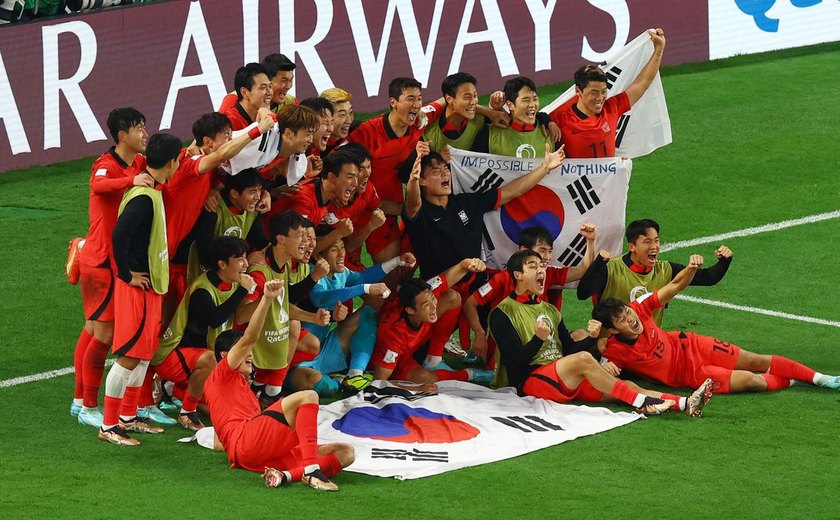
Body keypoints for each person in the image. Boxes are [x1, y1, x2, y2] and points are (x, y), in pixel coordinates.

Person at [488, 250, 712, 416]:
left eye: (542, 266)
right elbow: (515, 362)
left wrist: (593, 340)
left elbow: (567, 349)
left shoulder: (548, 309)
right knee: (586, 360)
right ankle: (641, 402)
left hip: (563, 376)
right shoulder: (502, 313)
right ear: (518, 275)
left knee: (626, 386)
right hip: (531, 382)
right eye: (533, 266)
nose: (541, 271)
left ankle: (685, 403)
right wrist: (538, 339)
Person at [403, 142, 565, 370]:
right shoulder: (419, 211)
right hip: (438, 289)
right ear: (422, 180)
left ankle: (498, 358)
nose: (444, 174)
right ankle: (434, 358)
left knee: (505, 292)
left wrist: (545, 167)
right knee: (415, 353)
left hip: (473, 283)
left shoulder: (467, 203)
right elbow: (413, 202)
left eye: (445, 169)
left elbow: (512, 191)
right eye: (436, 172)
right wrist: (412, 179)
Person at [592, 254, 840, 394]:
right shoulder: (612, 349)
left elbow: (674, 286)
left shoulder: (640, 308)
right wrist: (603, 358)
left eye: (627, 312)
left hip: (693, 345)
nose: (631, 320)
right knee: (753, 381)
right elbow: (600, 375)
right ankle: (792, 379)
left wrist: (690, 268)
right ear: (613, 329)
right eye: (623, 320)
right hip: (692, 375)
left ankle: (821, 379)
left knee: (755, 360)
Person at [204, 278, 354, 491]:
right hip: (247, 443)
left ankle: (285, 476)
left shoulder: (233, 390)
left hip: (258, 454)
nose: (250, 354)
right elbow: (249, 338)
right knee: (308, 396)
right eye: (243, 351)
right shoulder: (220, 375)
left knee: (345, 453)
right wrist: (266, 299)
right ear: (226, 355)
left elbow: (221, 443)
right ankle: (312, 472)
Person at [98, 132, 182, 446]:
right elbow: (119, 236)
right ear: (172, 162)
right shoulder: (144, 197)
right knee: (130, 357)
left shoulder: (151, 191)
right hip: (137, 286)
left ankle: (128, 417)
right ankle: (109, 426)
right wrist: (127, 274)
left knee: (144, 355)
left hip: (150, 285)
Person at [70, 107, 150, 428]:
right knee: (103, 334)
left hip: (109, 259)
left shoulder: (139, 162)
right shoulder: (105, 165)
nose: (145, 133)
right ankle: (90, 406)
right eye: (139, 129)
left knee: (92, 330)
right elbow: (99, 185)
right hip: (101, 262)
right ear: (122, 136)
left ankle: (79, 402)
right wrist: (131, 180)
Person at [152, 236, 256, 431]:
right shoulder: (202, 289)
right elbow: (215, 319)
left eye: (245, 257)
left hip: (200, 359)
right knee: (211, 360)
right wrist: (243, 291)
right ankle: (187, 412)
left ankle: (173, 389)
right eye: (240, 259)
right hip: (173, 356)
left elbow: (240, 317)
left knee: (222, 406)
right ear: (222, 264)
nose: (245, 264)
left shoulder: (232, 284)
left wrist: (268, 299)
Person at [296, 234, 416, 394]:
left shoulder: (341, 273)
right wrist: (366, 288)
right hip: (300, 358)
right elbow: (321, 299)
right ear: (320, 255)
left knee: (368, 313)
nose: (341, 254)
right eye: (334, 250)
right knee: (319, 384)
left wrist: (397, 261)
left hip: (325, 348)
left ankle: (354, 375)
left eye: (342, 248)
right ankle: (338, 381)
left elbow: (362, 276)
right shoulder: (312, 273)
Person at [235, 210, 329, 408]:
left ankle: (270, 390)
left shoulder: (283, 265)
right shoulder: (260, 272)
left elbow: (282, 306)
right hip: (246, 347)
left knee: (296, 328)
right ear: (281, 239)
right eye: (300, 236)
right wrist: (266, 299)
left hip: (267, 343)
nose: (305, 242)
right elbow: (241, 316)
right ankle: (261, 387)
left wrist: (314, 318)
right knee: (292, 327)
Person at [463, 224, 597, 364]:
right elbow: (470, 304)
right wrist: (479, 334)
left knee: (582, 336)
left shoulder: (548, 275)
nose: (548, 257)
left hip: (544, 344)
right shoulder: (503, 280)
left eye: (550, 251)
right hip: (512, 350)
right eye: (542, 251)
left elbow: (582, 270)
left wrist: (591, 241)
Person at [577, 218, 732, 325]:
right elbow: (582, 293)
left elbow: (709, 278)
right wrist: (598, 263)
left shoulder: (665, 269)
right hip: (612, 348)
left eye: (656, 241)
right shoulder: (611, 269)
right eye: (647, 242)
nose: (654, 246)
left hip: (650, 348)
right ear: (632, 247)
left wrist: (725, 260)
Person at [370, 258, 495, 386]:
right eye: (426, 305)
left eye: (433, 299)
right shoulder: (394, 337)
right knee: (426, 379)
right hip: (399, 358)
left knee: (452, 297)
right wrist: (418, 389)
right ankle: (470, 374)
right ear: (410, 310)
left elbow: (449, 275)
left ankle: (433, 359)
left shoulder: (423, 293)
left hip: (417, 336)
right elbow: (379, 382)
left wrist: (467, 264)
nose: (433, 306)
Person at [548, 28, 666, 158]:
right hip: (576, 179)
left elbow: (643, 83)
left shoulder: (612, 108)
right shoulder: (559, 118)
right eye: (594, 93)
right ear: (578, 91)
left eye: (604, 91)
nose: (600, 98)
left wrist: (659, 49)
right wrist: (546, 121)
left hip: (608, 178)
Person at [346, 77, 426, 263]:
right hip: (355, 212)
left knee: (393, 273)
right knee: (344, 275)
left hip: (387, 215)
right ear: (393, 103)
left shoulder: (419, 123)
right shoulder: (367, 131)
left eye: (419, 99)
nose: (416, 104)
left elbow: (445, 104)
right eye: (410, 99)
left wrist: (489, 112)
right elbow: (337, 161)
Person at [271, 149, 359, 253]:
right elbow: (299, 250)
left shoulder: (325, 194)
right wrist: (338, 233)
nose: (355, 184)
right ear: (332, 177)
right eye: (350, 177)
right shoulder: (304, 200)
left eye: (356, 178)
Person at [422, 72, 508, 153]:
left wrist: (497, 108)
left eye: (475, 96)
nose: (473, 102)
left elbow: (507, 125)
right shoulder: (429, 125)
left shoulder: (479, 118)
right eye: (467, 98)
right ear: (449, 99)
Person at [474, 76, 555, 157]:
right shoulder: (489, 134)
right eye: (526, 100)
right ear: (510, 105)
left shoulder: (551, 132)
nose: (532, 105)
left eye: (535, 99)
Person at [320, 87, 354, 153]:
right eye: (342, 114)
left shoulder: (356, 131)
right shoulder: (313, 147)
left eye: (351, 112)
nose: (349, 121)